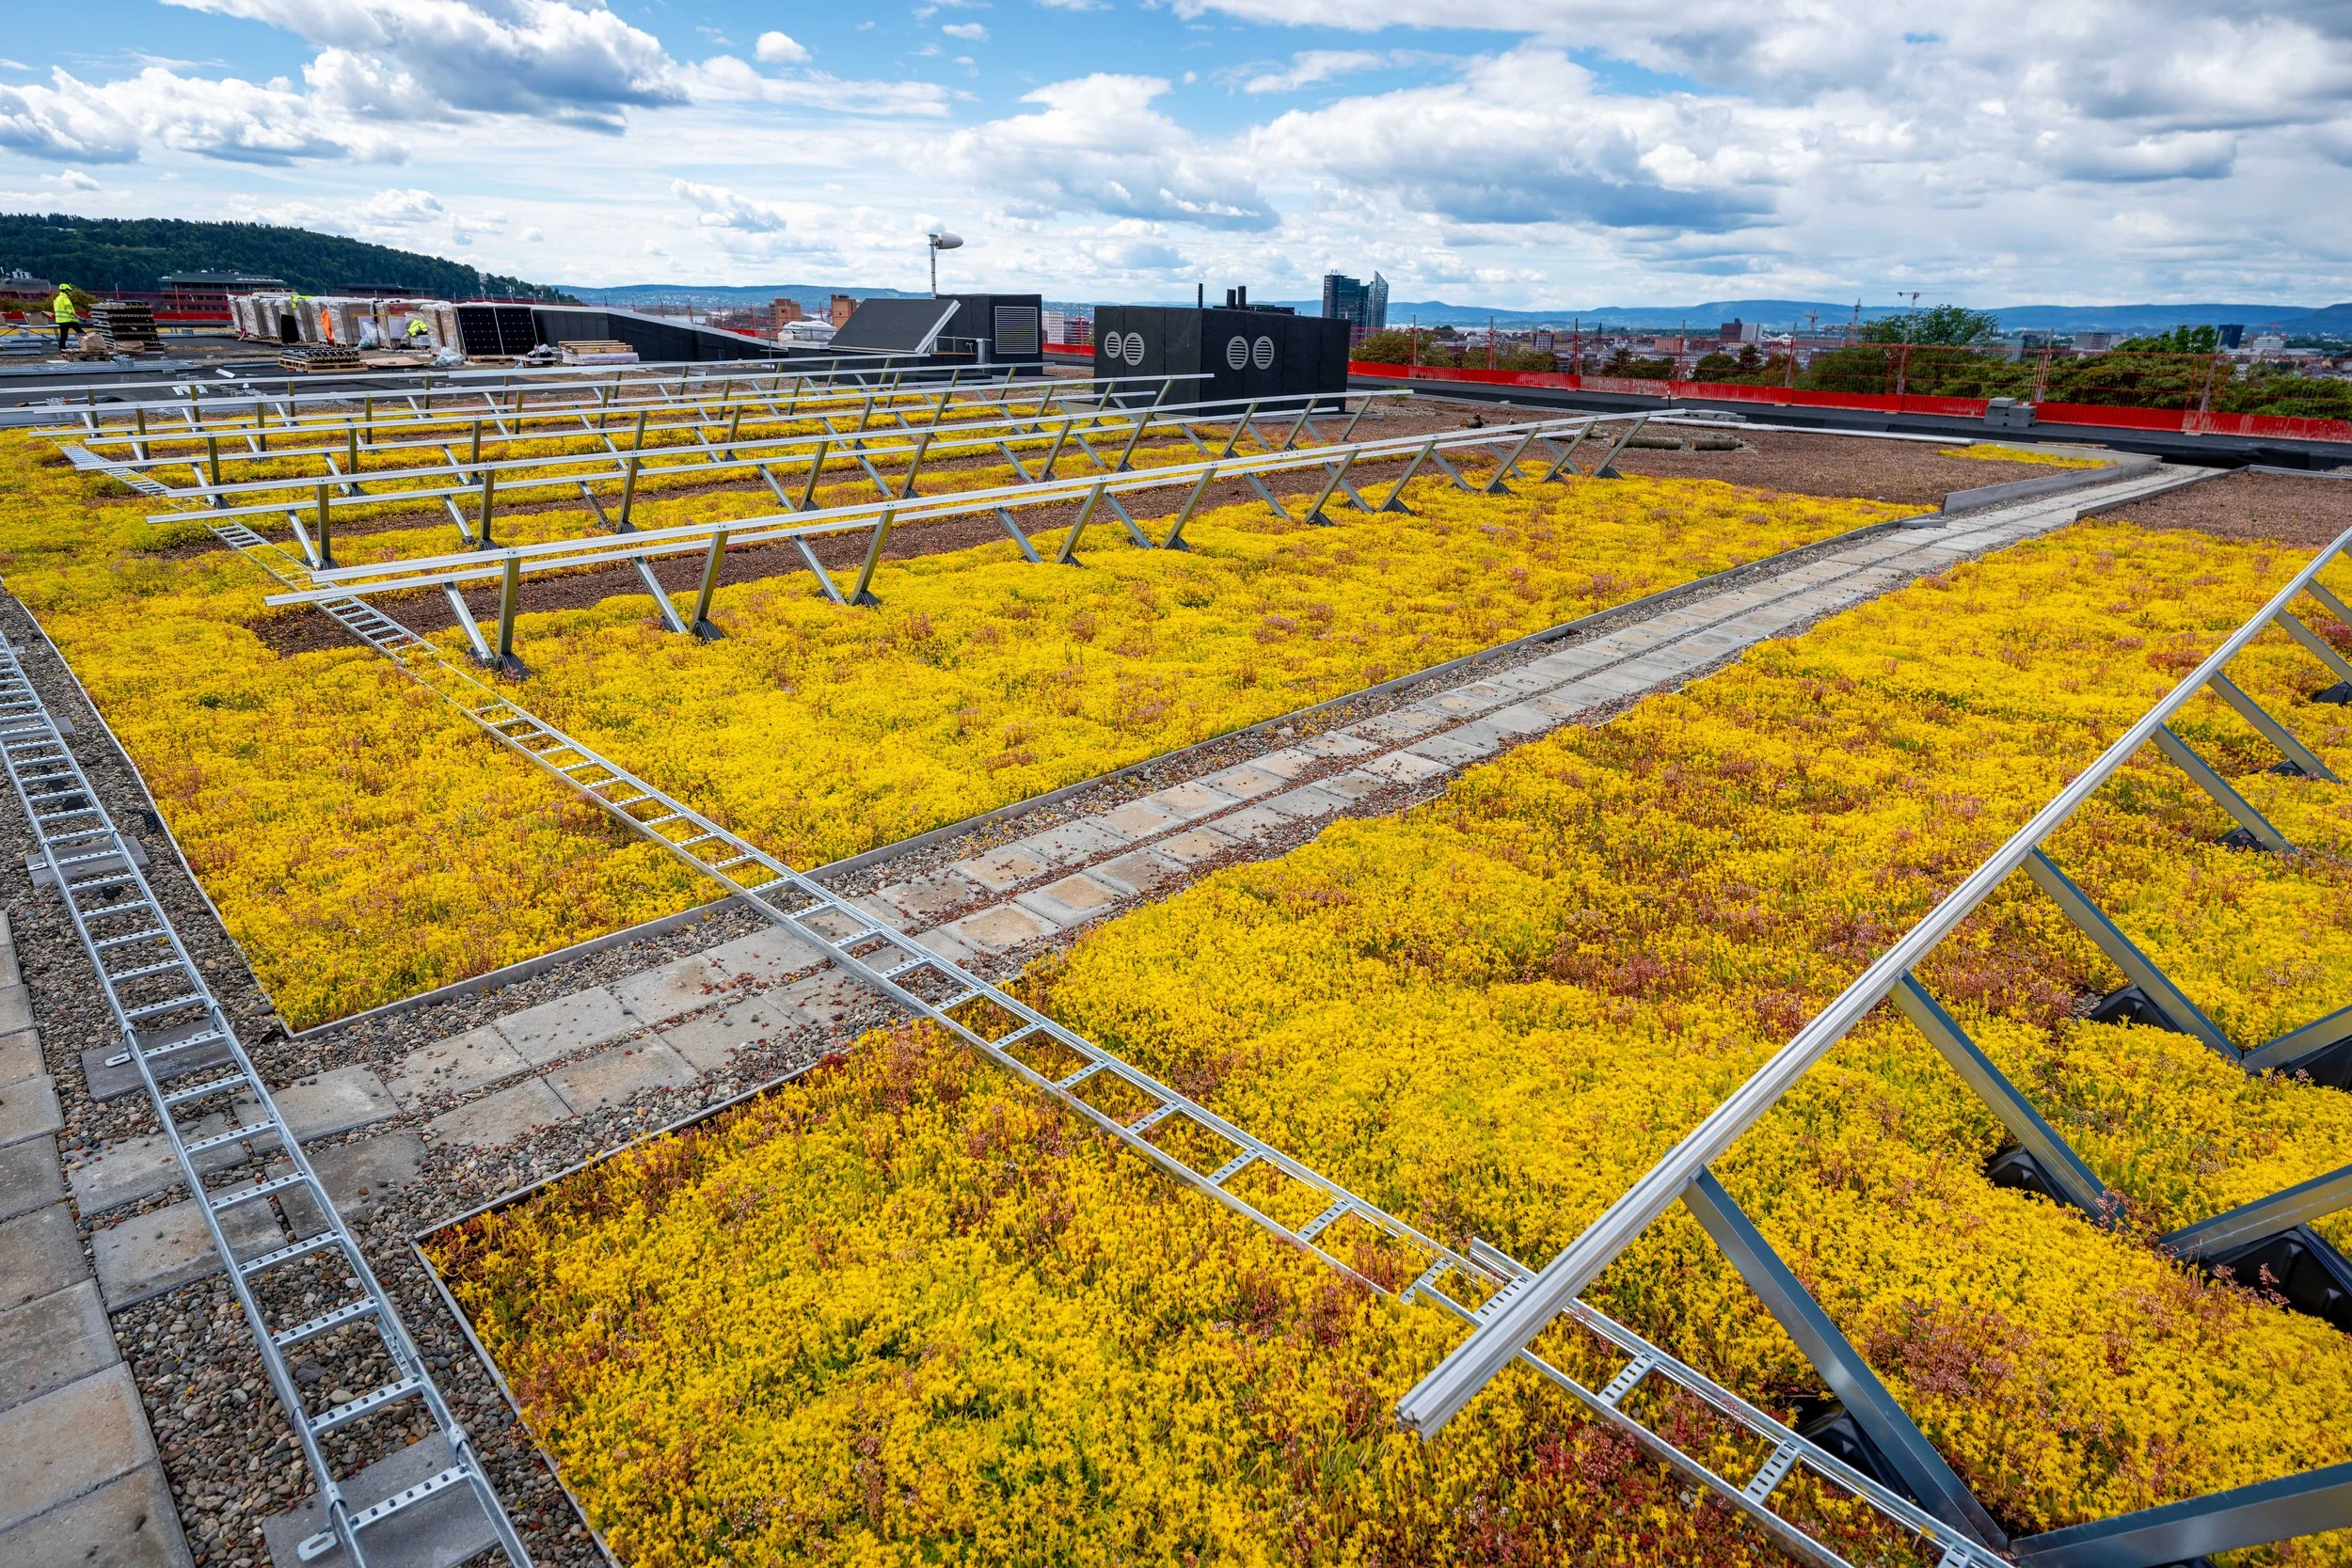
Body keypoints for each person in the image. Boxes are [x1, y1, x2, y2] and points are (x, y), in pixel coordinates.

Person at [51, 284, 79, 353]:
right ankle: (89, 346)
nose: (71, 292)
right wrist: (78, 316)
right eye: (70, 291)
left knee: (63, 336)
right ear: (65, 290)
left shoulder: (57, 299)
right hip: (69, 320)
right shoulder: (65, 299)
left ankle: (62, 350)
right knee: (81, 333)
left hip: (61, 321)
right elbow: (69, 310)